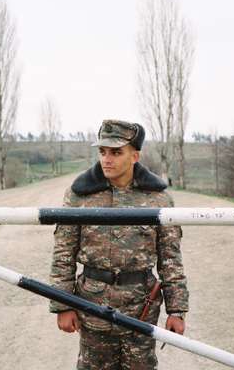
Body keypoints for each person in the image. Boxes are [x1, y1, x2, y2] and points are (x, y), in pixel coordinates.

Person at [50, 119, 189, 370]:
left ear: (135, 155)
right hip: (93, 307)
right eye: (102, 152)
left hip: (141, 309)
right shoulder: (80, 195)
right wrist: (62, 305)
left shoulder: (157, 198)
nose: (107, 159)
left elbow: (170, 258)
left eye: (116, 152)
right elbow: (64, 253)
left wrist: (176, 310)